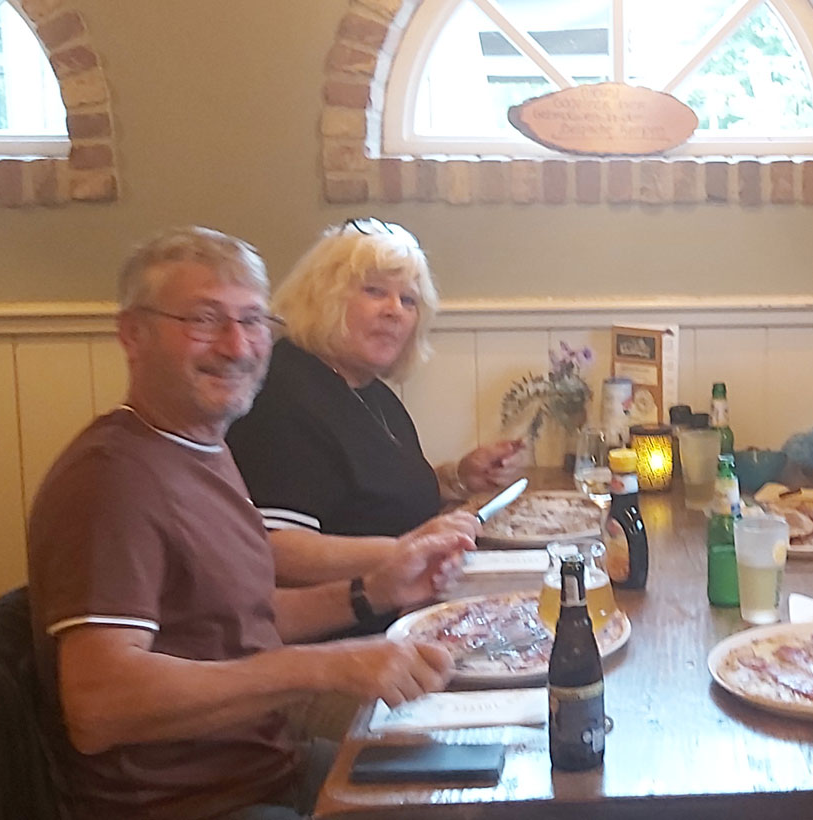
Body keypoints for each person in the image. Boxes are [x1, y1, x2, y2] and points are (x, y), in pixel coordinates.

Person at [27, 227, 469, 820]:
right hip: (197, 804)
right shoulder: (110, 480)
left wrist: (373, 592)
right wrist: (326, 666)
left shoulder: (201, 448)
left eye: (253, 320)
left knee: (471, 780)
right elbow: (99, 704)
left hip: (271, 768)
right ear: (133, 334)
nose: (237, 346)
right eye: (204, 320)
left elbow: (239, 618)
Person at [226, 218, 525, 631]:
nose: (394, 311)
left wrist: (458, 477)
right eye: (374, 291)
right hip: (344, 635)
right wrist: (406, 549)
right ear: (323, 297)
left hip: (409, 608)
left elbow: (371, 496)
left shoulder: (367, 389)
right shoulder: (282, 393)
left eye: (408, 300)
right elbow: (275, 548)